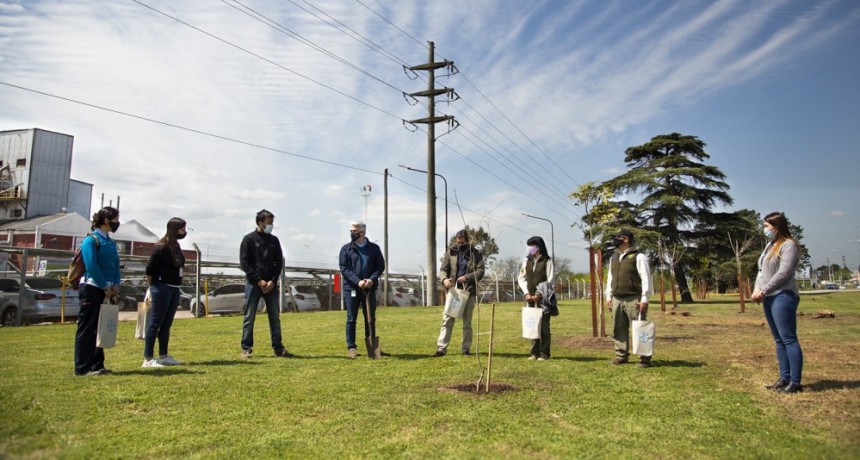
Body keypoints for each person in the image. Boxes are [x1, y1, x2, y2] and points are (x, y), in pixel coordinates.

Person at [751, 212, 803, 393]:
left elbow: (783, 273)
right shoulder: (769, 246)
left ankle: (795, 382)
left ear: (777, 227)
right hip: (768, 297)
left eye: (767, 226)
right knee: (778, 340)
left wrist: (765, 290)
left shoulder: (789, 245)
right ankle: (784, 378)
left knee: (788, 338)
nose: (764, 229)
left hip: (783, 295)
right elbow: (761, 271)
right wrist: (756, 290)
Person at [74, 207, 121, 376]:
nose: (118, 222)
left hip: (107, 289)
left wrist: (115, 284)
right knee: (87, 328)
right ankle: (82, 367)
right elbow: (92, 266)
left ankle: (97, 365)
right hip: (92, 288)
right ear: (106, 221)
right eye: (115, 219)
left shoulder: (111, 242)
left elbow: (116, 264)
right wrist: (104, 286)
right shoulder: (91, 241)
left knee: (100, 327)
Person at [239, 209, 292, 359]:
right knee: (249, 317)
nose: (271, 226)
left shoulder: (274, 240)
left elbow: (279, 262)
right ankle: (246, 348)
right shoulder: (248, 239)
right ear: (260, 223)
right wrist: (258, 280)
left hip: (270, 286)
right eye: (269, 223)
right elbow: (244, 262)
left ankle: (278, 348)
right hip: (253, 285)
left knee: (274, 317)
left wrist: (272, 281)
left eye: (272, 223)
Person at [141, 218, 187, 368]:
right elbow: (150, 269)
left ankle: (163, 355)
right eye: (182, 229)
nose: (184, 232)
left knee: (166, 324)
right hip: (161, 287)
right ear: (174, 229)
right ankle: (148, 358)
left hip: (174, 287)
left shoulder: (176, 246)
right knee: (156, 322)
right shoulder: (161, 246)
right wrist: (153, 286)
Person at [604, 229, 653, 368]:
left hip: (634, 298)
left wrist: (645, 299)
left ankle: (644, 358)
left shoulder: (639, 256)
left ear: (625, 239)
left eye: (618, 237)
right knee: (618, 328)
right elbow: (610, 278)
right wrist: (609, 296)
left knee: (640, 327)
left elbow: (646, 278)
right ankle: (621, 355)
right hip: (617, 298)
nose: (615, 240)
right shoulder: (613, 257)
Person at [338, 221, 385, 359]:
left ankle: (372, 347)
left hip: (369, 288)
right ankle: (351, 347)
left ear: (363, 232)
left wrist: (371, 279)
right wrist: (357, 281)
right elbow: (344, 268)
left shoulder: (374, 248)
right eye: (351, 231)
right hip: (352, 288)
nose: (352, 233)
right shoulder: (346, 249)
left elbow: (380, 266)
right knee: (351, 318)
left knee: (370, 317)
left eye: (355, 231)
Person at [435, 229, 485, 356]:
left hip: (469, 291)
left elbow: (480, 272)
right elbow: (443, 270)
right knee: (447, 319)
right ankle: (441, 348)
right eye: (458, 242)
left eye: (462, 243)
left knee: (467, 322)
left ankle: (466, 348)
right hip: (454, 292)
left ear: (468, 241)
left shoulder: (476, 254)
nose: (460, 245)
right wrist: (444, 279)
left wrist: (467, 277)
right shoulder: (451, 252)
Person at [517, 236, 556, 361]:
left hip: (543, 298)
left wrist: (539, 294)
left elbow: (550, 280)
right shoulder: (526, 260)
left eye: (531, 245)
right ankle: (534, 352)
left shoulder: (547, 261)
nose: (529, 248)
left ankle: (545, 353)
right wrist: (527, 293)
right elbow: (521, 278)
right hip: (530, 298)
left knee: (544, 326)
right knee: (532, 324)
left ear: (538, 247)